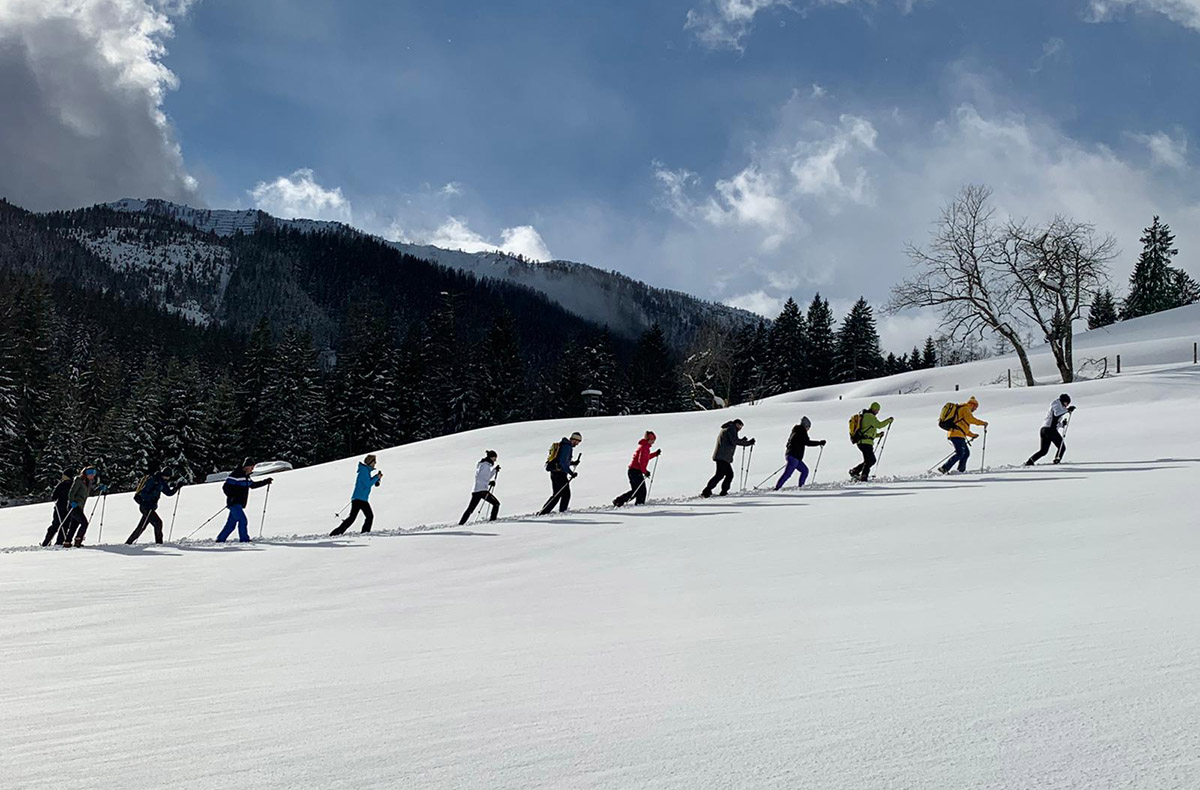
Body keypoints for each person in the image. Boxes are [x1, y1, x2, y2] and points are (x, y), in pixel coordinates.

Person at [217, 459, 273, 543]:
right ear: (246, 466)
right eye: (252, 466)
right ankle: (244, 539)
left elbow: (253, 485)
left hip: (239, 503)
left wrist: (265, 481)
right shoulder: (235, 475)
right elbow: (225, 487)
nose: (253, 469)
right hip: (234, 503)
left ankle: (221, 539)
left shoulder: (246, 477)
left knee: (231, 524)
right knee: (243, 520)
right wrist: (231, 496)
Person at [331, 454, 383, 535]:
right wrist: (376, 477)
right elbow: (367, 484)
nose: (375, 463)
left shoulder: (365, 471)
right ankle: (364, 533)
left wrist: (376, 477)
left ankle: (336, 533)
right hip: (360, 499)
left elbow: (368, 482)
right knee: (368, 516)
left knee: (353, 518)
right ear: (370, 462)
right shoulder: (364, 471)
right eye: (374, 462)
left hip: (360, 499)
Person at [701, 420, 754, 498]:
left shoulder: (728, 428)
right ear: (736, 424)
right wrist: (748, 443)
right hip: (723, 457)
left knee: (721, 475)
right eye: (740, 426)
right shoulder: (731, 429)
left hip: (721, 456)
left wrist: (742, 441)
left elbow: (732, 440)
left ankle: (710, 491)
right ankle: (715, 491)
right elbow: (734, 441)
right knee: (727, 475)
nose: (740, 428)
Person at [126, 468, 180, 544]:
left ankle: (128, 542)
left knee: (142, 526)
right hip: (145, 506)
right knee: (158, 523)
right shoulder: (153, 480)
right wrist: (150, 500)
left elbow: (168, 493)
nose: (168, 478)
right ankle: (159, 543)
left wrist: (177, 487)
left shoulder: (162, 482)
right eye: (168, 476)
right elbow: (144, 493)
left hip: (150, 507)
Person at [938, 397, 988, 475]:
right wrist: (983, 423)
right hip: (956, 435)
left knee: (966, 453)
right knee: (960, 453)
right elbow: (971, 419)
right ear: (972, 405)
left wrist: (972, 435)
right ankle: (944, 468)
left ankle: (960, 471)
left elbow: (964, 429)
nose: (975, 409)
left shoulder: (963, 410)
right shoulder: (965, 409)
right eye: (975, 407)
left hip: (958, 434)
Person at [61, 466, 107, 547]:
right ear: (86, 473)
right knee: (84, 523)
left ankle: (67, 542)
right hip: (74, 506)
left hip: (80, 507)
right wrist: (72, 502)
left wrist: (99, 489)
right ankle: (78, 540)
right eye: (91, 473)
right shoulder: (79, 480)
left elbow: (91, 494)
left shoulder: (88, 483)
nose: (92, 475)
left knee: (74, 525)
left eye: (94, 473)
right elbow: (71, 492)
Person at [775, 417, 825, 490]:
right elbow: (807, 442)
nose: (808, 429)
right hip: (793, 456)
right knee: (788, 474)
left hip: (793, 456)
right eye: (808, 427)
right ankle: (777, 488)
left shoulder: (795, 431)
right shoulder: (801, 432)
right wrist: (819, 443)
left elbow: (789, 443)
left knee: (805, 471)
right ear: (805, 426)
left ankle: (801, 487)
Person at [539, 432, 582, 515]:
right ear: (574, 440)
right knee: (565, 494)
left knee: (557, 494)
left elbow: (562, 461)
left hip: (554, 472)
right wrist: (571, 473)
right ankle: (563, 512)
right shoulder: (567, 447)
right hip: (560, 473)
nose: (577, 444)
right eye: (577, 442)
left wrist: (573, 463)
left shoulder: (563, 445)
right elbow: (562, 463)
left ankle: (544, 511)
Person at [613, 431, 661, 507]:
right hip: (635, 471)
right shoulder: (644, 447)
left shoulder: (645, 446)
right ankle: (639, 505)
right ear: (649, 439)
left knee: (637, 491)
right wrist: (645, 472)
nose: (653, 442)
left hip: (634, 471)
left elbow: (646, 458)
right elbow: (641, 461)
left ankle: (619, 501)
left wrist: (655, 454)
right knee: (641, 491)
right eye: (653, 440)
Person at [1025, 393, 1075, 466]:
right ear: (1064, 401)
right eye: (1067, 403)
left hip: (1045, 429)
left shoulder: (1059, 406)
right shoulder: (1056, 404)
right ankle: (1056, 461)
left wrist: (1062, 424)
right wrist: (1067, 410)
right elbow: (1057, 414)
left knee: (1043, 451)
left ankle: (1030, 461)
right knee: (1062, 447)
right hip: (1049, 430)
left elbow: (1054, 421)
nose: (1067, 405)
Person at [849, 403, 893, 482]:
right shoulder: (870, 417)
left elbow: (867, 432)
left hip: (862, 442)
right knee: (871, 460)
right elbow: (879, 425)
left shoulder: (865, 416)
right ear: (874, 409)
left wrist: (878, 435)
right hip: (866, 443)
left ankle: (856, 471)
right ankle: (863, 475)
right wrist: (889, 420)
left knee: (869, 460)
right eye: (877, 410)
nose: (877, 412)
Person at [459, 450, 501, 525]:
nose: (495, 460)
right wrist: (489, 482)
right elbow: (481, 478)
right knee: (496, 504)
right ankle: (493, 521)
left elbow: (484, 477)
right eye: (495, 458)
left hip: (477, 490)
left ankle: (461, 523)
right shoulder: (485, 466)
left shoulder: (484, 465)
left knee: (470, 509)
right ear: (491, 457)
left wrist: (494, 470)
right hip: (482, 491)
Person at [41, 470, 73, 547]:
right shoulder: (64, 485)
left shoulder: (68, 485)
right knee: (59, 525)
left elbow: (55, 495)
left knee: (62, 525)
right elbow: (54, 495)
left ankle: (57, 542)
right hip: (62, 507)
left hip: (65, 507)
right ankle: (49, 542)